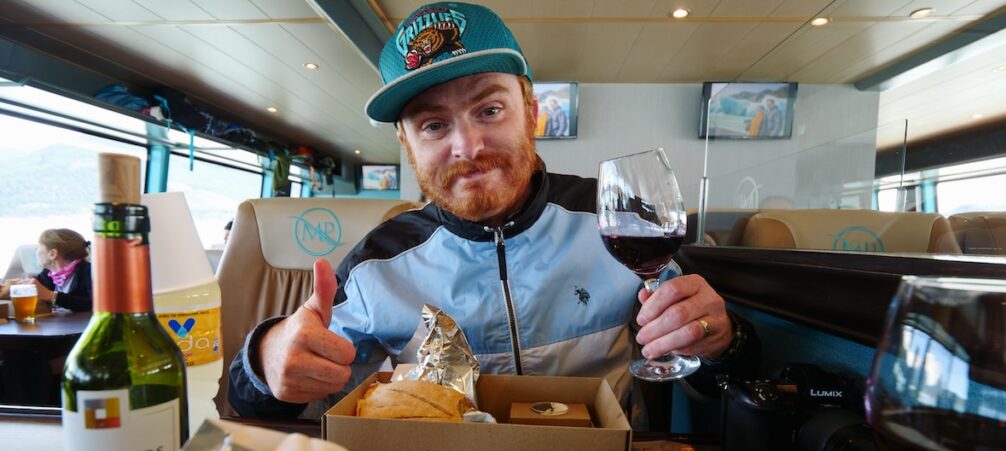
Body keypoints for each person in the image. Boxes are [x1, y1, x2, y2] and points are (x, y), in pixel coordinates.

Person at [228, 1, 760, 423]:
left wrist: (722, 342)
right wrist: (266, 361)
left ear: (531, 114)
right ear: (408, 144)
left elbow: (718, 370)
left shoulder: (619, 219)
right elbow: (261, 401)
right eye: (434, 126)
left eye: (489, 109)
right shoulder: (376, 264)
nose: (469, 146)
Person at [0, 229, 92, 312]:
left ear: (52, 254)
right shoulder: (48, 274)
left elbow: (94, 304)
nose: (36, 252)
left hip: (82, 329)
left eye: (38, 248)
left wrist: (51, 295)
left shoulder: (90, 273)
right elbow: (34, 289)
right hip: (58, 327)